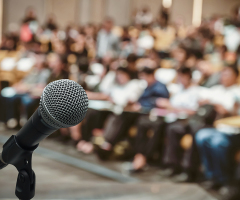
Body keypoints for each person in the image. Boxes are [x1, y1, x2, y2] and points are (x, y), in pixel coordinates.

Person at [95, 67, 169, 162]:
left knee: (138, 122)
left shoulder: (159, 87)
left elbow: (160, 102)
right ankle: (108, 143)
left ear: (151, 76)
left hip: (152, 116)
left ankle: (141, 156)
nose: (143, 79)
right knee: (118, 116)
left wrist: (140, 104)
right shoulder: (146, 86)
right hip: (140, 114)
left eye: (144, 76)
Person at [195, 65, 240, 190]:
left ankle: (225, 179)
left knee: (217, 142)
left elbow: (231, 111)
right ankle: (212, 176)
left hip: (234, 131)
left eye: (227, 74)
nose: (224, 77)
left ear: (236, 77)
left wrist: (220, 106)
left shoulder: (237, 91)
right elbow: (200, 98)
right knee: (201, 136)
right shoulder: (217, 89)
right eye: (222, 74)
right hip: (218, 128)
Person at [157, 66, 203, 181]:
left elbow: (193, 111)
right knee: (163, 126)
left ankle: (187, 169)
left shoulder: (195, 91)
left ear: (188, 77)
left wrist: (172, 107)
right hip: (174, 119)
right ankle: (170, 164)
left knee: (174, 129)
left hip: (189, 122)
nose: (180, 79)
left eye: (183, 76)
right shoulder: (179, 89)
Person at [2, 53, 51, 128]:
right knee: (11, 98)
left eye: (38, 60)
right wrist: (18, 86)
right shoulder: (33, 71)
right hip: (25, 91)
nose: (36, 62)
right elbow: (24, 81)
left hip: (33, 94)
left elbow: (41, 86)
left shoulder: (45, 72)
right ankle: (13, 121)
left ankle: (29, 125)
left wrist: (27, 87)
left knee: (26, 101)